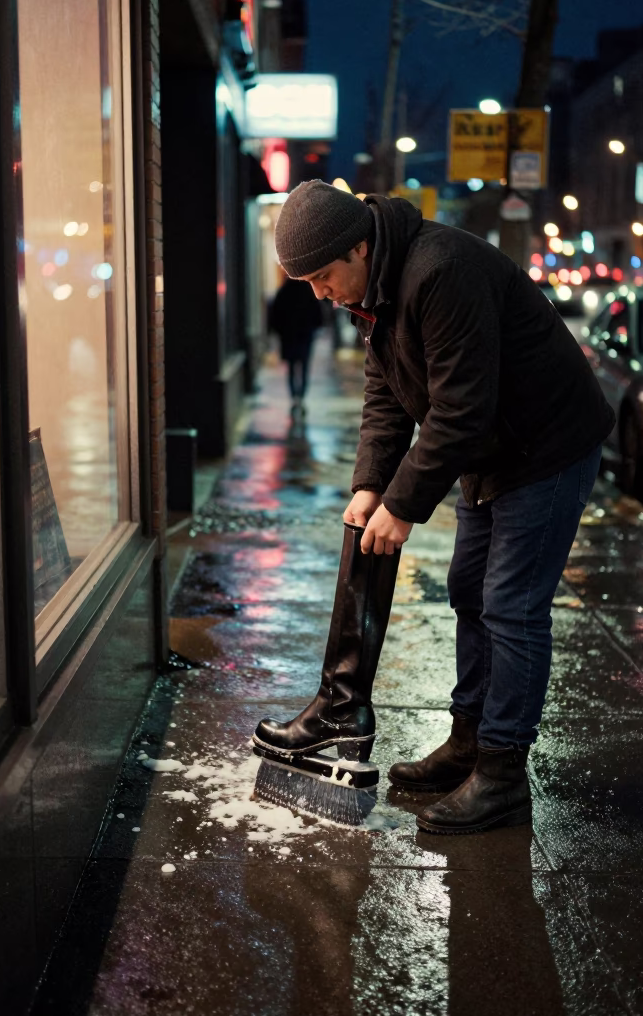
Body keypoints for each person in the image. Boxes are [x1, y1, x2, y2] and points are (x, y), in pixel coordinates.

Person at [255, 180, 614, 835]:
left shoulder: (442, 271)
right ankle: (470, 742)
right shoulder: (377, 286)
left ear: (359, 247)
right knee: (467, 590)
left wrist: (403, 505)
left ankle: (503, 775)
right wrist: (371, 485)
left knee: (511, 603)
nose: (320, 294)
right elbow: (387, 392)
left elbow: (460, 411)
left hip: (545, 447)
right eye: (306, 283)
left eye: (324, 277)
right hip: (492, 451)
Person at [269, 275, 324, 409]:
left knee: (292, 368)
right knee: (304, 366)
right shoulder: (308, 290)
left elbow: (275, 313)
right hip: (305, 335)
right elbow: (318, 313)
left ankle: (294, 396)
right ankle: (301, 396)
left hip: (289, 337)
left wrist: (279, 331)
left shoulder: (284, 291)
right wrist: (315, 327)